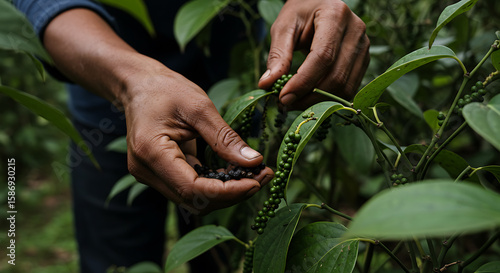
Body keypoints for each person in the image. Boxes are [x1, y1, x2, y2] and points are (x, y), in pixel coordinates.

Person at [14, 0, 369, 272]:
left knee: (222, 255)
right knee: (113, 256)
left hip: (231, 96)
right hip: (103, 83)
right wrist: (133, 83)